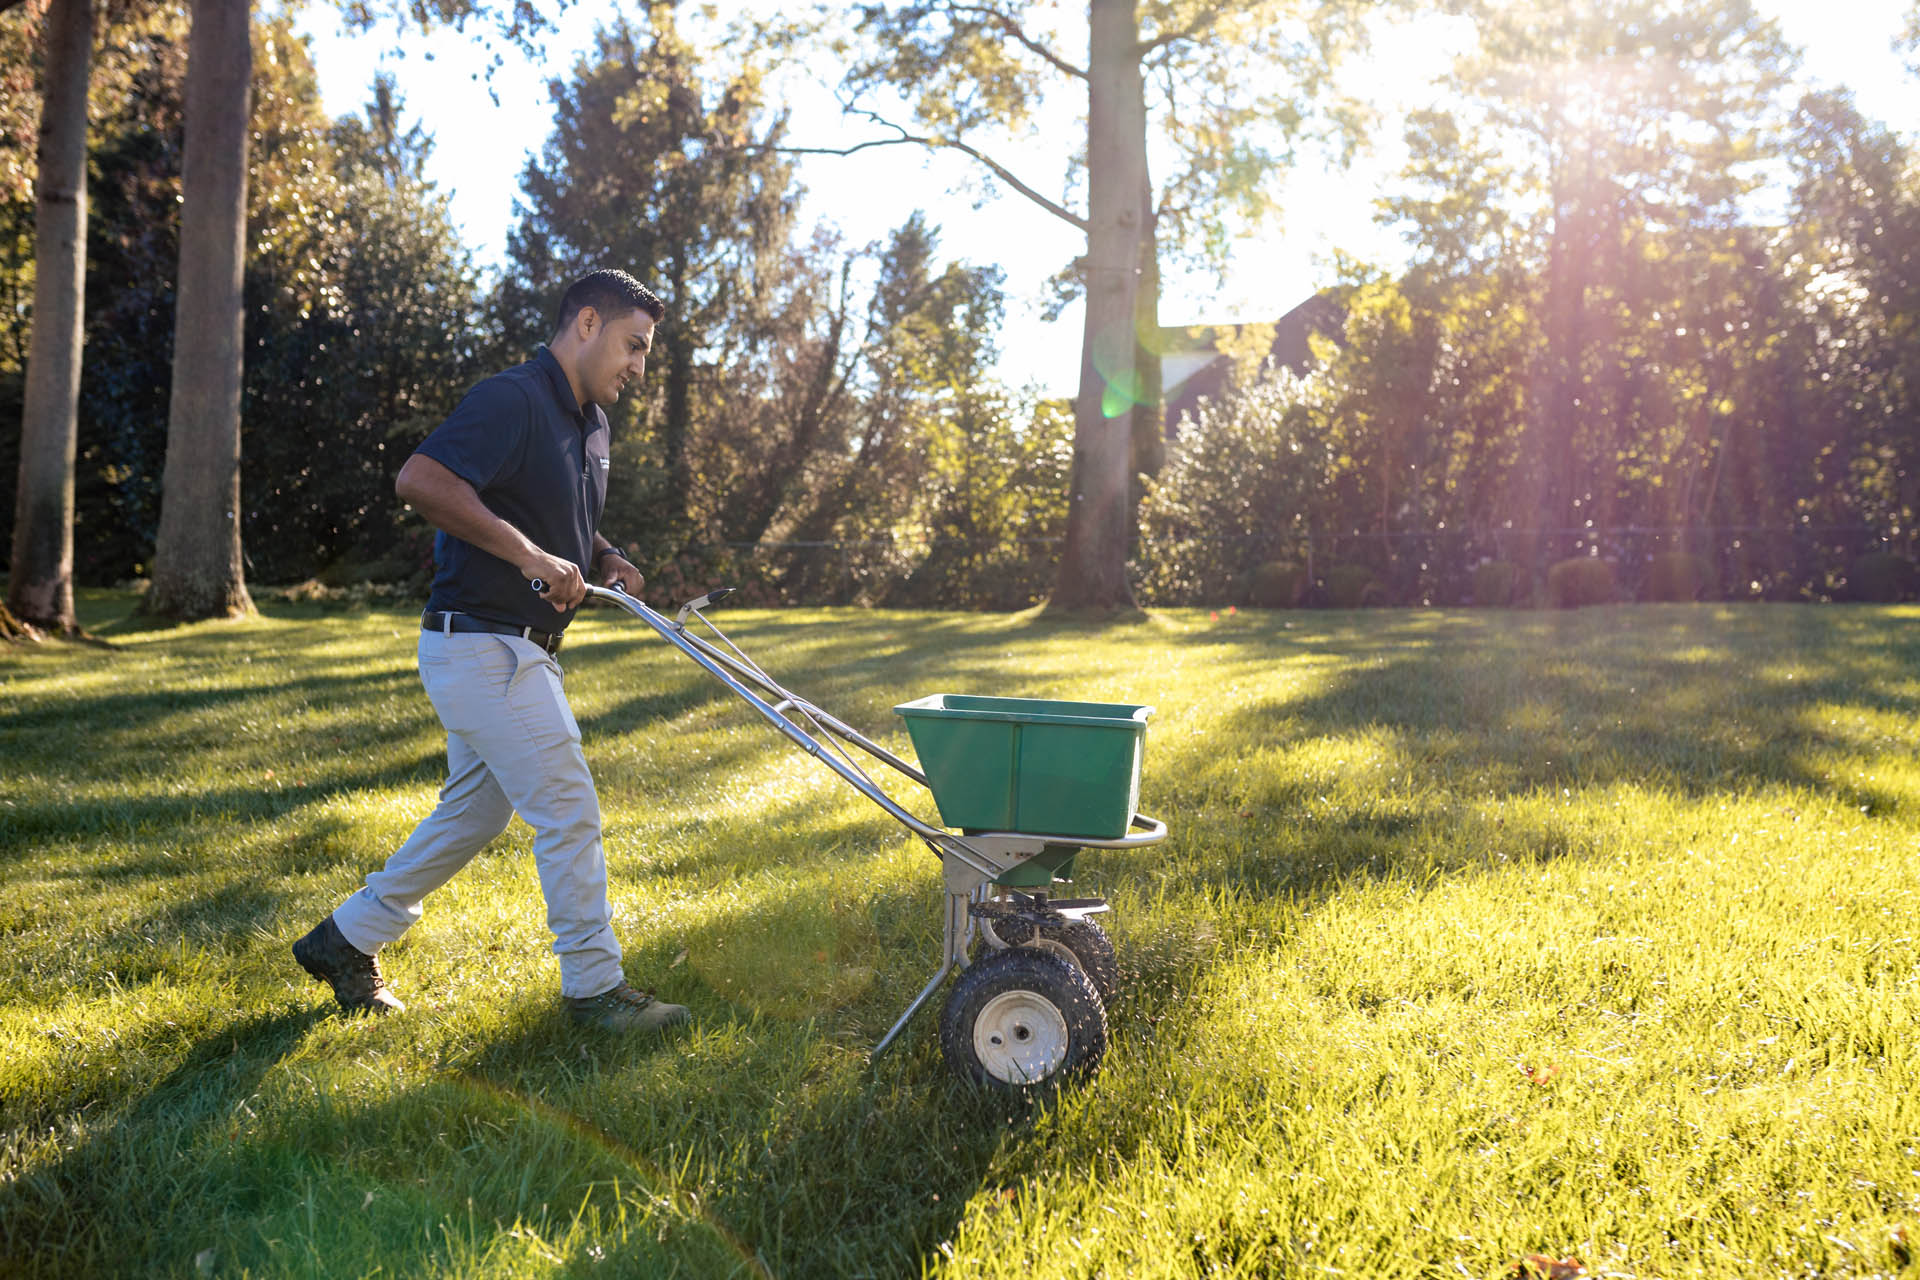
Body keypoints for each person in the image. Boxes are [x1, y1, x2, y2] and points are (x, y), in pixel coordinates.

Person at [292, 268, 686, 1033]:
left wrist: (603, 552)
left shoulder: (590, 422)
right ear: (585, 324)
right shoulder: (512, 398)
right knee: (569, 809)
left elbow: (549, 509)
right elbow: (423, 479)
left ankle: (344, 938)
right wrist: (531, 558)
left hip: (514, 651)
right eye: (633, 346)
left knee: (473, 814)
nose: (639, 366)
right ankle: (595, 993)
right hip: (482, 646)